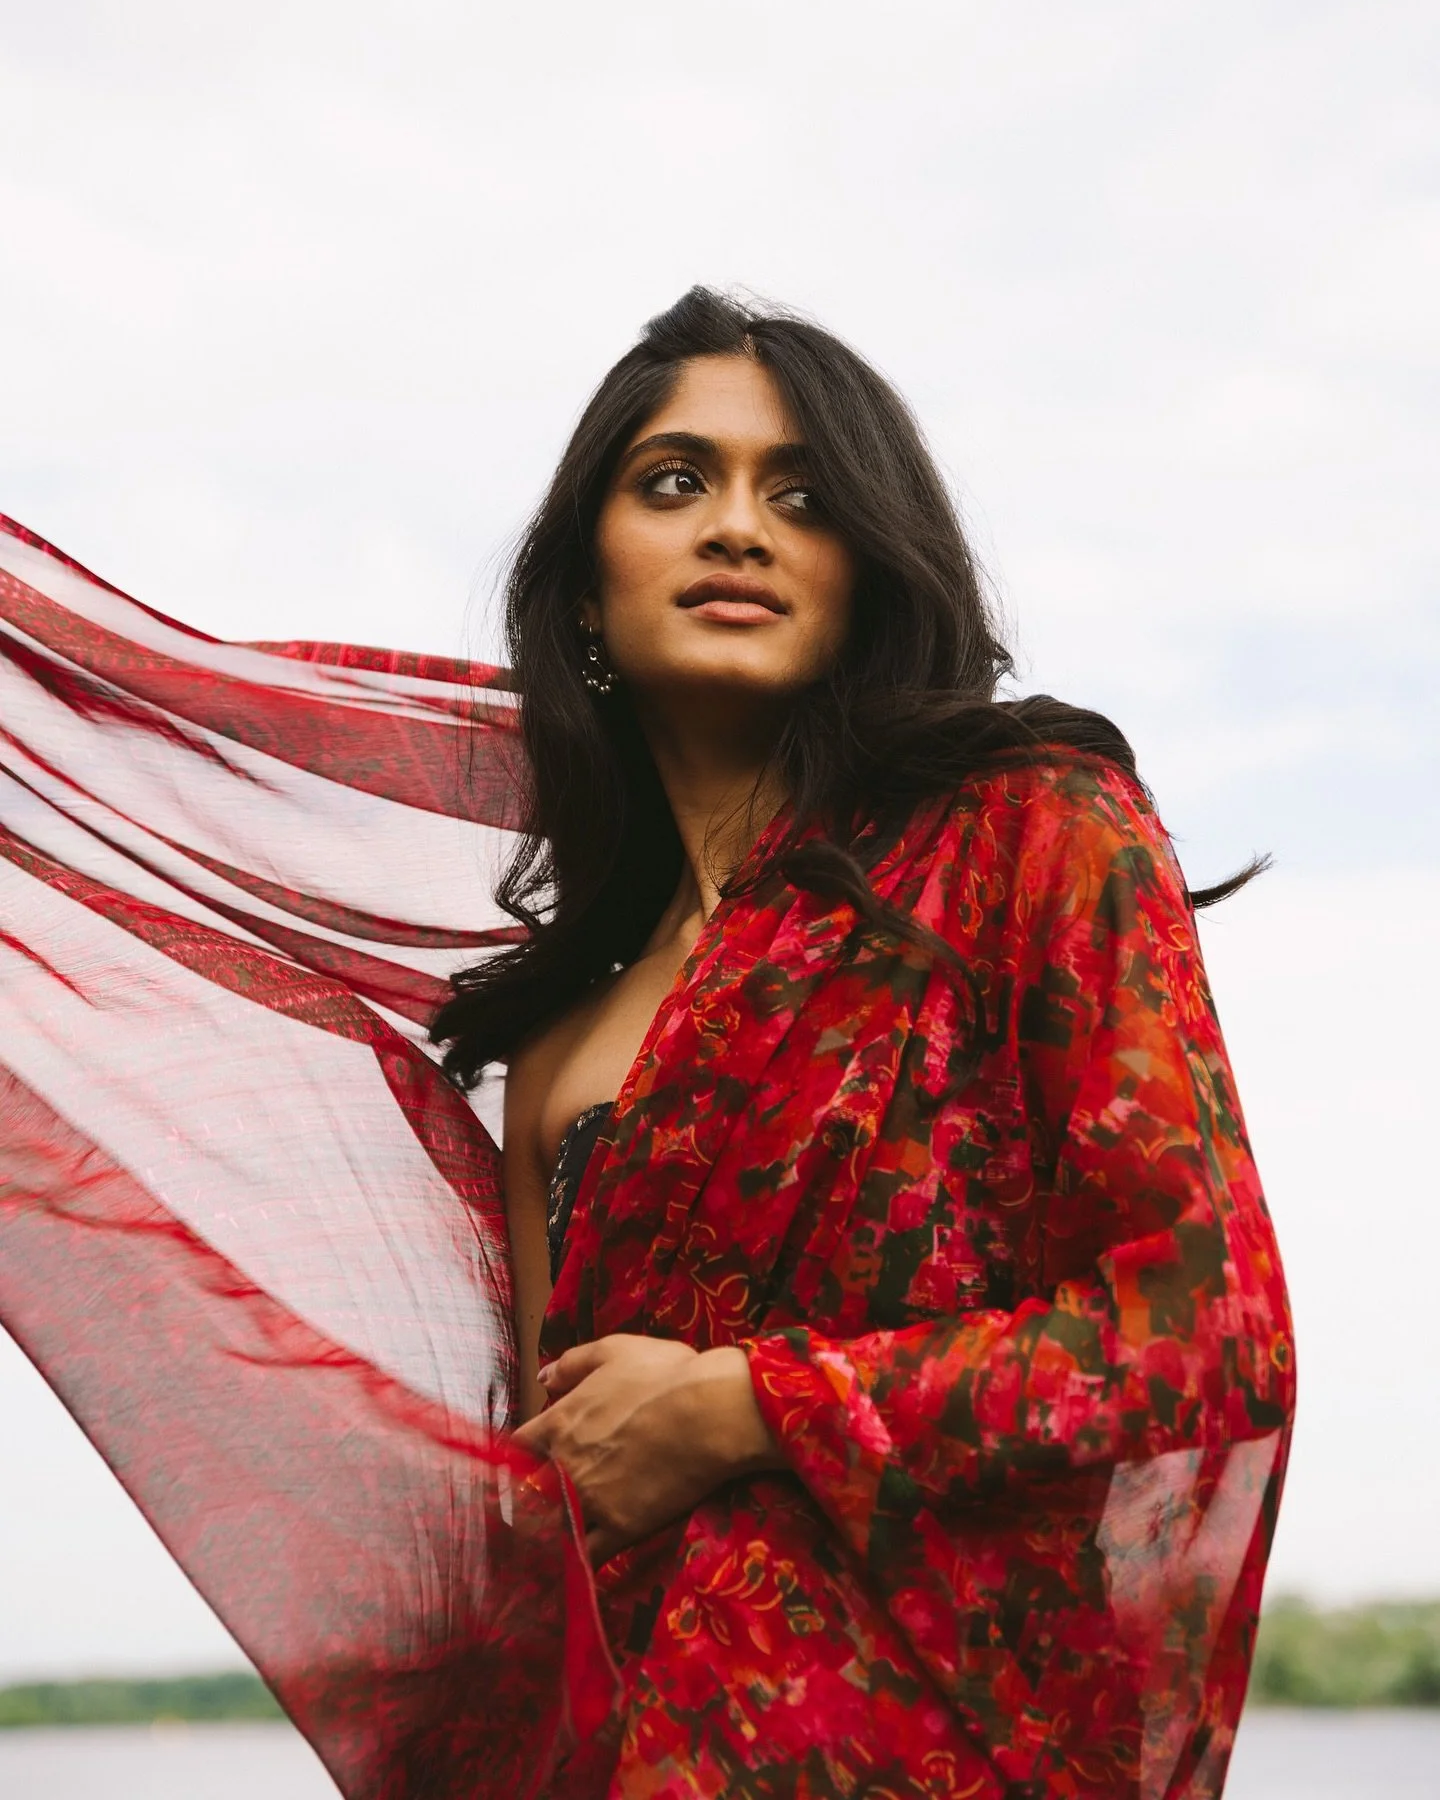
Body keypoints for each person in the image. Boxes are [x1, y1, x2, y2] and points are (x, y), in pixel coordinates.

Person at [0, 288, 1294, 1800]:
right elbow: (564, 1531)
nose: (737, 526)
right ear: (587, 595)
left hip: (953, 1755)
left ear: (867, 572)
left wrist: (747, 1407)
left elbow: (1200, 1341)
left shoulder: (1032, 838)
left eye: (801, 495)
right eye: (675, 482)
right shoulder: (558, 1050)